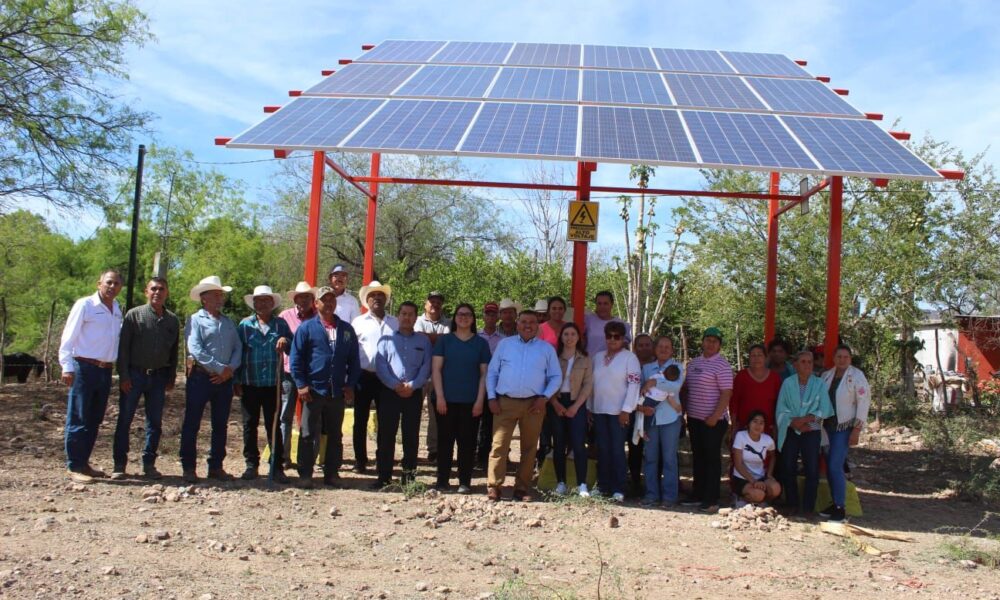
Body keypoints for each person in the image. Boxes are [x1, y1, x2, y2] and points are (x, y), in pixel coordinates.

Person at [485, 310, 561, 502]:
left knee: (529, 448)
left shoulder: (546, 349)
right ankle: (494, 486)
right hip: (505, 403)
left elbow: (556, 377)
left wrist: (544, 398)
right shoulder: (505, 345)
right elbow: (492, 372)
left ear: (538, 325)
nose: (528, 325)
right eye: (524, 322)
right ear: (517, 324)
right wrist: (492, 397)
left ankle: (521, 488)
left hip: (534, 404)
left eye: (532, 322)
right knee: (499, 445)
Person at [289, 286, 361, 488]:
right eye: (324, 300)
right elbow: (296, 359)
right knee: (308, 433)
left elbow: (354, 360)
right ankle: (305, 474)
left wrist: (350, 384)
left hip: (337, 391)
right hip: (313, 390)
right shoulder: (306, 328)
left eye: (331, 300)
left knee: (335, 434)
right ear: (316, 303)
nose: (328, 303)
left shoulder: (346, 330)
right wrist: (301, 384)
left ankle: (332, 473)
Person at [59, 269, 124, 483]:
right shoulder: (85, 305)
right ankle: (74, 466)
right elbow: (68, 337)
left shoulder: (116, 309)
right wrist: (67, 366)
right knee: (78, 417)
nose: (112, 287)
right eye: (109, 283)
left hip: (105, 370)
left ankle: (84, 462)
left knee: (94, 419)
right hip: (84, 367)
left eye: (116, 284)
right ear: (99, 284)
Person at [112, 277, 178, 481]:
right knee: (125, 419)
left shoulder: (172, 320)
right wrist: (123, 375)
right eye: (153, 289)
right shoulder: (134, 315)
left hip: (158, 377)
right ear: (146, 292)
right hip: (134, 375)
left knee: (155, 423)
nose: (157, 292)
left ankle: (149, 463)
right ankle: (119, 464)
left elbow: (174, 350)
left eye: (161, 289)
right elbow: (123, 348)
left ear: (167, 293)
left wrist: (171, 375)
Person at [180, 276, 242, 483]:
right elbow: (195, 348)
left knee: (220, 424)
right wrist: (218, 368)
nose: (220, 298)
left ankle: (216, 466)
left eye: (220, 294)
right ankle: (189, 467)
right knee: (192, 422)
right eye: (216, 295)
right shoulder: (195, 320)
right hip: (201, 377)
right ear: (204, 298)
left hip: (224, 381)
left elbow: (238, 348)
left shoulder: (228, 323)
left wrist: (229, 370)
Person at [235, 285, 292, 482]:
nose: (263, 303)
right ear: (254, 303)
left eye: (266, 300)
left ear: (272, 303)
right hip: (250, 381)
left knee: (274, 425)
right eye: (259, 300)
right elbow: (237, 353)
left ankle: (276, 467)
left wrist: (286, 341)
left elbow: (292, 348)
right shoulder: (244, 325)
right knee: (249, 424)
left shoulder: (281, 325)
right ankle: (251, 465)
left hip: (273, 384)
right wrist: (236, 379)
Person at [432, 303, 491, 493]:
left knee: (467, 443)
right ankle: (442, 481)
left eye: (467, 314)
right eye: (460, 314)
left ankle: (464, 481)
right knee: (445, 442)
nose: (463, 317)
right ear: (454, 318)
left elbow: (484, 374)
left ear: (473, 319)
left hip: (471, 401)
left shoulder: (481, 344)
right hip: (445, 400)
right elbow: (436, 370)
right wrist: (440, 397)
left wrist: (480, 400)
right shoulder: (444, 341)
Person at [374, 301, 432, 489]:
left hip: (413, 394)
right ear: (398, 316)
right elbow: (381, 367)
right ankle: (384, 478)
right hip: (390, 393)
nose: (407, 318)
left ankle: (408, 478)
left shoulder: (423, 341)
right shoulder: (385, 339)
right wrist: (395, 385)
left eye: (410, 314)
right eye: (403, 314)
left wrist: (413, 386)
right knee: (386, 436)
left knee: (411, 436)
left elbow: (426, 367)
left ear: (416, 317)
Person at [681, 327, 734, 512]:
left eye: (715, 341)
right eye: (708, 340)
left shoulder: (722, 365)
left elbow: (727, 393)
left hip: (714, 420)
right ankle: (698, 493)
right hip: (694, 418)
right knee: (699, 457)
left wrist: (715, 415)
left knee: (712, 459)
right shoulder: (693, 363)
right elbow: (687, 389)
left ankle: (711, 497)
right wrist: (685, 413)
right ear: (702, 341)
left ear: (719, 345)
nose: (711, 343)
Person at [776, 350, 833, 515]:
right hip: (791, 429)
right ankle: (792, 503)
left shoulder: (819, 383)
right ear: (795, 364)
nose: (807, 365)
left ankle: (808, 507)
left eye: (809, 362)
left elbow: (825, 408)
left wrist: (806, 419)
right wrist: (794, 423)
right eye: (803, 362)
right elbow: (781, 408)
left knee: (812, 469)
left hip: (812, 429)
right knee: (788, 466)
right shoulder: (788, 383)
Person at [819, 344, 871, 522]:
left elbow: (863, 402)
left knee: (835, 465)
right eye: (839, 356)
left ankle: (840, 508)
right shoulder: (827, 376)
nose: (842, 360)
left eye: (845, 357)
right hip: (826, 428)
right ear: (834, 358)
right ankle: (835, 503)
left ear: (850, 359)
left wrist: (857, 429)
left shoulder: (857, 376)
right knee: (830, 466)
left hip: (844, 427)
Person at [351, 281, 398, 474]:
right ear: (367, 300)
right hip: (363, 376)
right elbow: (352, 352)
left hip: (387, 378)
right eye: (373, 296)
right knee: (360, 420)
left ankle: (383, 459)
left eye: (380, 295)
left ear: (386, 299)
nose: (377, 298)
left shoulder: (395, 322)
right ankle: (360, 460)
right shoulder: (358, 322)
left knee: (386, 421)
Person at [590, 321, 640, 501]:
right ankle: (603, 486)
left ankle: (619, 487)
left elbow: (634, 385)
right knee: (602, 449)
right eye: (609, 336)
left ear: (623, 338)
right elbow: (591, 384)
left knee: (617, 450)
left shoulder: (630, 358)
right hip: (599, 410)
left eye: (617, 336)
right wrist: (589, 407)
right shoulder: (597, 357)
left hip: (619, 412)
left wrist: (627, 409)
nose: (612, 340)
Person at [637, 337, 684, 506]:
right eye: (661, 346)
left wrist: (655, 381)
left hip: (670, 418)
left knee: (669, 458)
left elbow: (675, 387)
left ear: (672, 350)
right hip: (649, 419)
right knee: (650, 457)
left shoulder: (677, 367)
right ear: (655, 349)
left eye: (667, 347)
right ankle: (651, 494)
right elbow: (640, 390)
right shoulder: (647, 368)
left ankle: (670, 497)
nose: (664, 349)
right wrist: (641, 408)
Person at [549, 322, 593, 497]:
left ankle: (582, 484)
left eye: (573, 334)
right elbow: (547, 381)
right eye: (566, 334)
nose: (569, 338)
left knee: (578, 445)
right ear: (561, 337)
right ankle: (561, 483)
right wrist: (555, 403)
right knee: (559, 444)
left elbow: (588, 385)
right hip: (557, 402)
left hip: (577, 404)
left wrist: (576, 406)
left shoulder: (586, 359)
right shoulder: (554, 357)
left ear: (578, 337)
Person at [277, 282, 317, 468]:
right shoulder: (284, 317)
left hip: (311, 374)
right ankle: (284, 456)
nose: (303, 300)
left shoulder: (319, 318)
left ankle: (307, 458)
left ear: (312, 299)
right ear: (294, 299)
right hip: (289, 373)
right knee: (285, 415)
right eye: (300, 297)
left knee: (311, 417)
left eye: (307, 297)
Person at [415, 291, 451, 462]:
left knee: (436, 414)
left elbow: (447, 341)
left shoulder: (449, 323)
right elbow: (418, 340)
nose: (435, 305)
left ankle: (434, 449)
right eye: (432, 301)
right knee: (412, 413)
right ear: (425, 303)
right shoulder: (417, 321)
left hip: (440, 375)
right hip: (418, 373)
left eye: (438, 302)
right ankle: (411, 447)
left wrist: (427, 337)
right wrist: (438, 338)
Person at [730, 344, 783, 437]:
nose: (756, 358)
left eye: (759, 355)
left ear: (766, 358)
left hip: (767, 428)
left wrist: (776, 425)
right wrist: (734, 425)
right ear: (749, 358)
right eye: (753, 355)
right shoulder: (741, 376)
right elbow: (734, 402)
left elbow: (780, 403)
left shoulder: (775, 378)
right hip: (744, 427)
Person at [731, 410, 781, 506]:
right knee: (758, 494)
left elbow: (773, 457)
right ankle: (741, 498)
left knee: (776, 488)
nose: (758, 425)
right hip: (742, 478)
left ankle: (760, 501)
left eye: (761, 423)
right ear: (749, 423)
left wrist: (769, 474)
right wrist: (753, 481)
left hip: (760, 477)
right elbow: (738, 464)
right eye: (755, 421)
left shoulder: (768, 440)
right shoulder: (741, 436)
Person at [626, 332, 655, 495]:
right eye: (640, 345)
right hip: (632, 412)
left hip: (653, 414)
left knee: (654, 449)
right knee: (634, 447)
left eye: (647, 345)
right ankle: (635, 482)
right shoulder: (629, 363)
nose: (644, 348)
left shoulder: (659, 366)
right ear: (635, 348)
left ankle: (655, 484)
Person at [477, 301, 504, 469]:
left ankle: (485, 457)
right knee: (475, 422)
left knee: (490, 423)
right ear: (483, 316)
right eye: (488, 314)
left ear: (497, 316)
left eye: (494, 314)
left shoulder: (504, 341)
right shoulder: (476, 337)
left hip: (496, 386)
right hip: (476, 383)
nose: (491, 317)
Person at [583, 291, 631, 355]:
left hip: (612, 363)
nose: (602, 307)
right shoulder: (588, 319)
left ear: (612, 304)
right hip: (589, 362)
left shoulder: (622, 324)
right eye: (599, 304)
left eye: (605, 303)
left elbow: (625, 349)